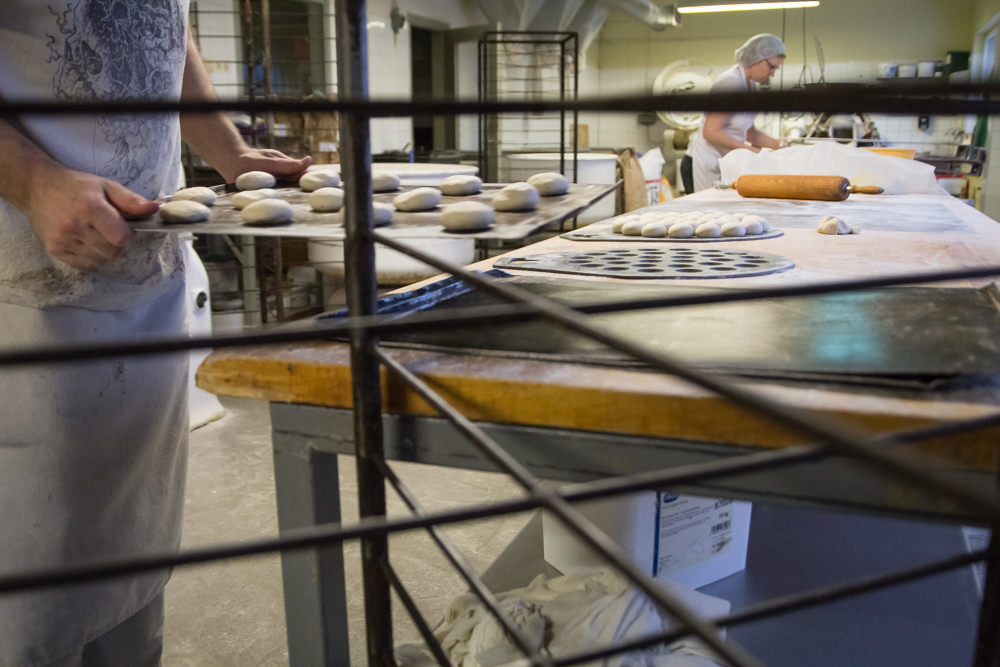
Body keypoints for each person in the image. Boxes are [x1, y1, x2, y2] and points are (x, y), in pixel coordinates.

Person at [0, 2, 310, 665]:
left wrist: (231, 152)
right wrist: (33, 181)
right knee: (31, 601)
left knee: (130, 565)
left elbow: (162, 25)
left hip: (146, 277)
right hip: (24, 290)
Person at [682, 34, 787, 194]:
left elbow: (749, 131)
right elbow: (710, 132)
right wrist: (752, 152)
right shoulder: (731, 83)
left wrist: (778, 146)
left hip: (721, 162)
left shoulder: (749, 85)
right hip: (704, 163)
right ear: (757, 58)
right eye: (771, 67)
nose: (772, 74)